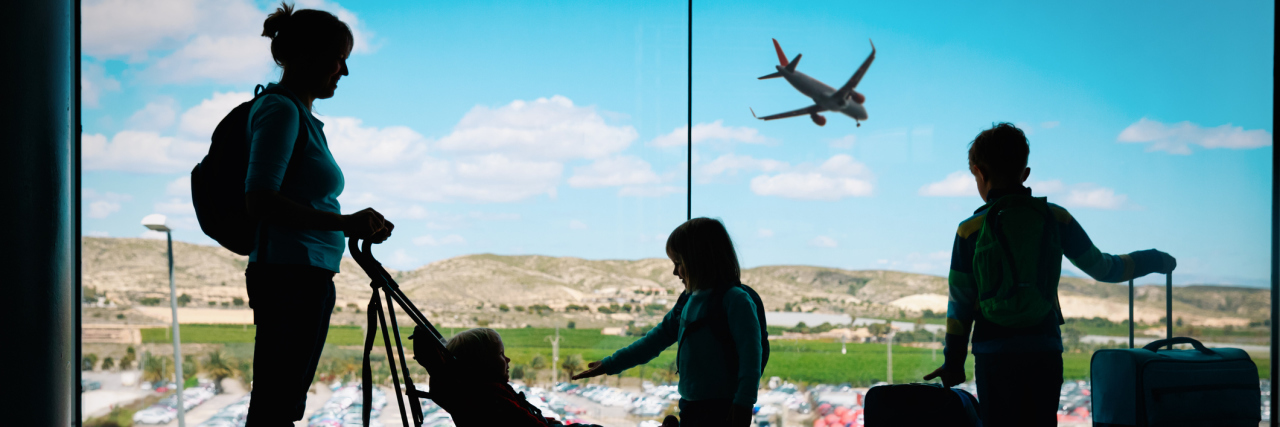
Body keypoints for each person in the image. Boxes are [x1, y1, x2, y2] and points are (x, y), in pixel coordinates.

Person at [922, 123, 1176, 426]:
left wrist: (953, 363)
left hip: (994, 354)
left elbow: (959, 306)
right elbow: (1105, 268)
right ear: (1025, 173)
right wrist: (1154, 259)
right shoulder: (1056, 218)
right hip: (1044, 349)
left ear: (978, 171)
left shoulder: (970, 230)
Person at [243, 3, 393, 426]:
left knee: (282, 401)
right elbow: (261, 201)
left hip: (302, 273)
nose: (343, 72)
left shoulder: (299, 115)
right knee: (278, 404)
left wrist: (352, 225)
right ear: (308, 56)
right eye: (338, 59)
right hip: (289, 275)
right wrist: (346, 224)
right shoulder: (281, 110)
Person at [572, 218, 762, 427]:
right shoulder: (688, 300)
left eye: (678, 263)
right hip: (690, 405)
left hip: (722, 410)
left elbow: (751, 359)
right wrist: (610, 364)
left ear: (699, 260)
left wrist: (743, 405)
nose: (675, 272)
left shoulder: (735, 300)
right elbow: (654, 340)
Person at [418, 328, 601, 427]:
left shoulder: (474, 393)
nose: (508, 359)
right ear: (481, 363)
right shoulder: (490, 398)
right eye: (500, 354)